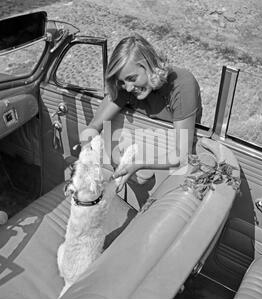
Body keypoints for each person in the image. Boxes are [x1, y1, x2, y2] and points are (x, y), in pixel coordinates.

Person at [80, 34, 202, 192]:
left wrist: (139, 163)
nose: (128, 88)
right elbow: (94, 126)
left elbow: (182, 154)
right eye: (122, 82)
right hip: (134, 154)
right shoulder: (125, 88)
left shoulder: (182, 85)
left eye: (132, 78)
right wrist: (87, 153)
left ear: (149, 65)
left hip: (169, 170)